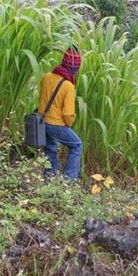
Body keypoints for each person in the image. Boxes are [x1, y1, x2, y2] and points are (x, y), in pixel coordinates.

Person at [38, 47, 83, 180]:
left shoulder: (46, 77)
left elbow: (41, 99)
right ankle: (70, 181)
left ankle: (49, 179)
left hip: (41, 121)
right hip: (56, 124)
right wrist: (69, 124)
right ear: (75, 69)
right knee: (77, 145)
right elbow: (68, 114)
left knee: (50, 149)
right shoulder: (68, 86)